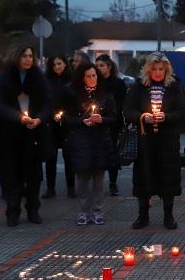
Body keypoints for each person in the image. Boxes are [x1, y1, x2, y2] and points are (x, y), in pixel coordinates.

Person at [0, 43, 52, 227]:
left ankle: (33, 210)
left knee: (34, 176)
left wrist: (39, 119)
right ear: (16, 57)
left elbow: (48, 103)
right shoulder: (2, 79)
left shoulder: (39, 79)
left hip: (34, 134)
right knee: (11, 175)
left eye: (31, 56)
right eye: (24, 56)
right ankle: (12, 211)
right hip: (9, 134)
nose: (28, 59)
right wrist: (18, 118)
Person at [124, 52, 185, 230]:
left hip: (167, 140)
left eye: (161, 69)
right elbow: (128, 110)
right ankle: (142, 215)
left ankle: (169, 216)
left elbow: (182, 111)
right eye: (155, 69)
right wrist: (143, 117)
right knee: (144, 176)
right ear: (148, 70)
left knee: (168, 177)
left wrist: (166, 116)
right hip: (146, 140)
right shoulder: (138, 87)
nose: (158, 73)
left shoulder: (174, 86)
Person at [62, 63, 117, 225]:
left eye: (94, 76)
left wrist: (102, 119)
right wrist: (82, 121)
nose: (92, 79)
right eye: (88, 76)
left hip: (100, 141)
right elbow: (67, 118)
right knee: (83, 180)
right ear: (82, 78)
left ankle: (98, 211)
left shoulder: (105, 94)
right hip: (81, 141)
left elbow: (114, 117)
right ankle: (83, 211)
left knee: (99, 181)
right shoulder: (73, 94)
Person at [42, 54, 75, 199]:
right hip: (51, 123)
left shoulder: (72, 81)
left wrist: (65, 114)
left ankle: (71, 188)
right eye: (54, 64)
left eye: (59, 63)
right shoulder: (47, 81)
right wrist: (51, 114)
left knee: (69, 156)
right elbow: (44, 101)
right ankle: (50, 188)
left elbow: (75, 102)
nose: (57, 67)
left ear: (65, 64)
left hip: (67, 123)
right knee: (51, 156)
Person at [95, 54, 126, 196]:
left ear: (109, 66)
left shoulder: (118, 83)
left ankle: (113, 182)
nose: (99, 68)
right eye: (97, 66)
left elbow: (122, 102)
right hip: (97, 121)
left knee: (112, 152)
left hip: (113, 122)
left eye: (102, 65)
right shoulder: (95, 81)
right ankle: (97, 182)